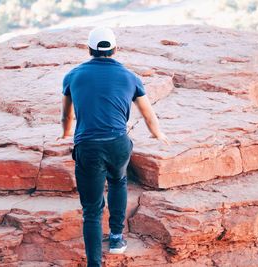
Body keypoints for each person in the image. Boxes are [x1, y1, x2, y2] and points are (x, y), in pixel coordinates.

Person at [59, 26, 169, 267]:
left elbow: (67, 117)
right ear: (115, 49)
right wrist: (158, 134)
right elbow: (149, 115)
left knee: (92, 210)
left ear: (89, 49)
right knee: (118, 180)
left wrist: (65, 134)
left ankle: (94, 264)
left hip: (88, 146)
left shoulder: (73, 76)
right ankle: (117, 238)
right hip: (118, 143)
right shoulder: (131, 77)